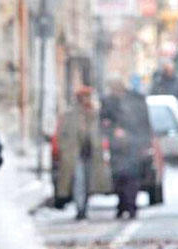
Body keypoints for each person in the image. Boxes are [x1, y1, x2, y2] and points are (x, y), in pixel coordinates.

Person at [53, 85, 111, 220]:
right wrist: (64, 149)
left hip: (92, 153)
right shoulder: (70, 115)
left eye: (88, 97)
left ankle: (84, 204)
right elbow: (62, 134)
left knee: (89, 182)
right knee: (79, 181)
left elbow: (101, 132)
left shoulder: (96, 114)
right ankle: (80, 208)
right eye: (84, 97)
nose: (86, 100)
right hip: (75, 154)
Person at [101, 75, 154, 219]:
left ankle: (130, 205)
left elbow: (144, 123)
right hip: (117, 147)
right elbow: (104, 122)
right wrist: (113, 130)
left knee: (132, 177)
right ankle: (122, 204)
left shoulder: (136, 100)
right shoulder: (109, 102)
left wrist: (145, 143)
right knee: (119, 177)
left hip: (134, 145)